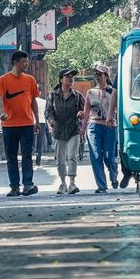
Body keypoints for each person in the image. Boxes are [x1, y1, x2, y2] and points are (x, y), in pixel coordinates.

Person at [0, 51, 40, 198]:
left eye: (27, 62)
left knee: (27, 156)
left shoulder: (30, 80)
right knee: (11, 157)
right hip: (9, 125)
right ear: (16, 63)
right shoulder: (3, 80)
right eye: (24, 62)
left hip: (27, 124)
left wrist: (37, 120)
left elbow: (33, 101)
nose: (26, 64)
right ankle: (14, 187)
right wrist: (2, 113)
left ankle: (27, 185)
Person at [47, 66, 86, 194]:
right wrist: (51, 120)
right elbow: (48, 112)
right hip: (58, 130)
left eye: (72, 77)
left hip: (73, 129)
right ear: (61, 79)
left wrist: (81, 115)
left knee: (72, 157)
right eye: (67, 77)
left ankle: (72, 184)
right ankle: (62, 183)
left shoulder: (78, 96)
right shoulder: (53, 96)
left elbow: (84, 112)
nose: (70, 79)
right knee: (60, 159)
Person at [86, 64, 119, 194]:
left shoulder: (113, 91)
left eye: (99, 74)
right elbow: (86, 111)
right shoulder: (90, 92)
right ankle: (101, 185)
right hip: (93, 125)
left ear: (106, 76)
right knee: (96, 155)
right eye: (95, 75)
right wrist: (83, 127)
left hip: (110, 126)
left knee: (109, 156)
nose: (97, 77)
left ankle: (114, 174)